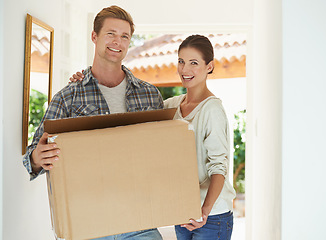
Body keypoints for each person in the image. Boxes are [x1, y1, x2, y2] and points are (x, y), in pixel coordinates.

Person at [71, 34, 236, 240]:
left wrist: (204, 211)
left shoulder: (212, 110)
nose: (185, 70)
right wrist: (88, 80)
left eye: (194, 63)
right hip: (185, 210)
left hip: (211, 216)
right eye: (181, 61)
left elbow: (219, 167)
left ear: (209, 66)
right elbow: (136, 115)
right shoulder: (172, 106)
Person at [22, 5, 164, 240]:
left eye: (124, 36)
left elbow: (163, 153)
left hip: (141, 223)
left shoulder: (149, 95)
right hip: (86, 225)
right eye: (111, 33)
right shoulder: (68, 96)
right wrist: (38, 158)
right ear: (94, 36)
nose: (117, 41)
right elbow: (32, 156)